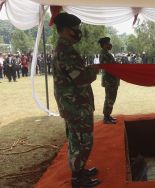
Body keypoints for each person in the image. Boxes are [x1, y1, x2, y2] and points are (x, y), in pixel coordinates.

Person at [52, 13, 100, 187]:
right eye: (75, 29)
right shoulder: (66, 51)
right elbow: (80, 79)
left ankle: (78, 170)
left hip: (73, 104)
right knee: (83, 141)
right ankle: (78, 179)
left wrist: (86, 69)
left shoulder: (63, 48)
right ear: (65, 29)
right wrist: (93, 71)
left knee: (76, 139)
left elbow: (73, 74)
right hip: (76, 105)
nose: (78, 32)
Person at [98, 37, 120, 124]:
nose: (110, 44)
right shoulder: (104, 54)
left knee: (111, 98)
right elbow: (108, 67)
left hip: (112, 80)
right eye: (108, 43)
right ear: (104, 45)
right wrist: (116, 65)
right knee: (109, 98)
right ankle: (106, 117)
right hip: (109, 80)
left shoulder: (106, 53)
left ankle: (108, 115)